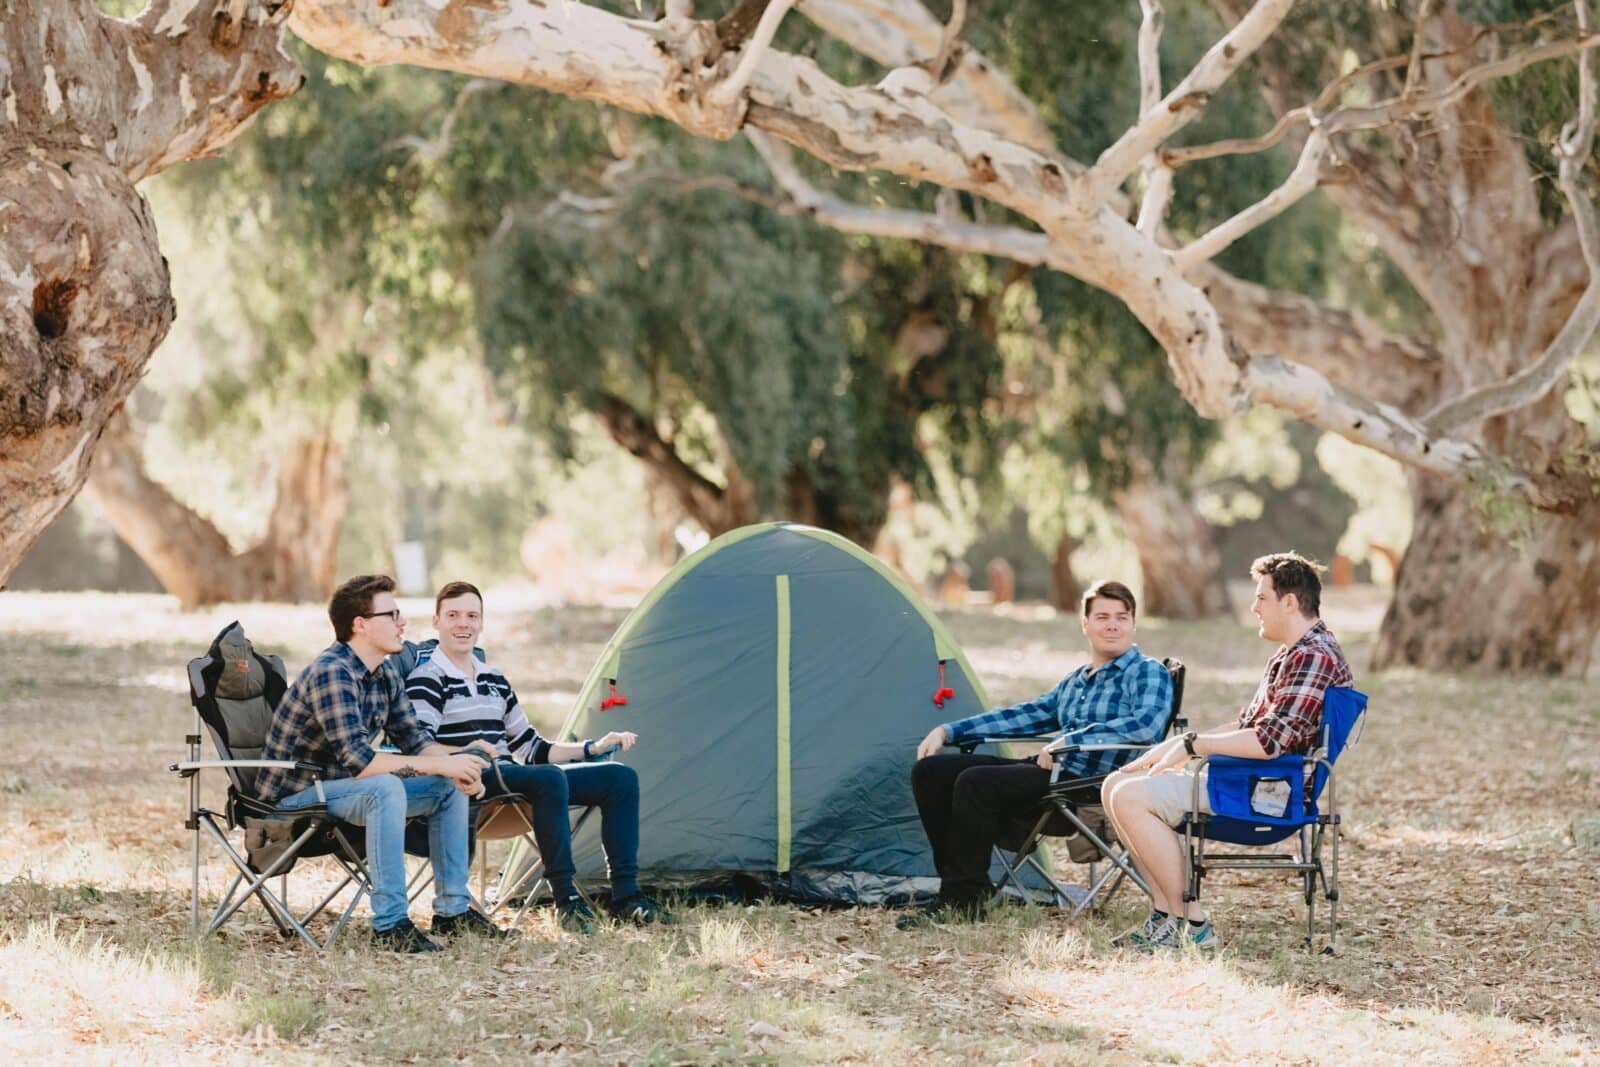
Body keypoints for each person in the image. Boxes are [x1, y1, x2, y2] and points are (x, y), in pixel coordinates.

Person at [1102, 551, 1353, 953]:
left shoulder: (1313, 655)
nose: (1253, 607)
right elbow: (1248, 726)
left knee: (1129, 796)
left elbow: (1268, 743)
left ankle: (1193, 924)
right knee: (1118, 782)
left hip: (1270, 792)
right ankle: (1166, 916)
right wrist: (1176, 746)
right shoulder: (1293, 653)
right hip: (1249, 779)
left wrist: (1195, 744)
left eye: (1262, 598)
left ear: (1290, 602)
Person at [900, 580, 1175, 928]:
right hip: (1054, 773)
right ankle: (962, 888)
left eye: (1122, 617)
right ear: (1085, 624)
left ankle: (964, 899)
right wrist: (950, 730)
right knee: (932, 773)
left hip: (1094, 784)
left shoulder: (1148, 671)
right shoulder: (1077, 680)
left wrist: (1072, 741)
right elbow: (1024, 715)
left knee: (975, 783)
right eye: (1103, 616)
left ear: (1134, 624)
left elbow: (1145, 727)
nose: (1113, 625)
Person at [255, 574, 508, 953]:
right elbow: (361, 762)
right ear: (361, 625)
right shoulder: (332, 673)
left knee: (445, 785)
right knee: (386, 787)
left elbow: (417, 742)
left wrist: (462, 763)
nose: (402, 623)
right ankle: (390, 925)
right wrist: (442, 765)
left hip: (344, 789)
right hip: (295, 799)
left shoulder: (384, 673)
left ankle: (453, 911)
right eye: (392, 615)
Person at [405, 581, 672, 933]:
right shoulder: (427, 678)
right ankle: (566, 899)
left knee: (619, 777)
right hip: (468, 782)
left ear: (482, 623)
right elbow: (420, 747)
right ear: (436, 622)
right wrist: (468, 753)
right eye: (452, 615)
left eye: (472, 615)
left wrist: (591, 748)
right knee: (547, 778)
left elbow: (532, 748)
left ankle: (626, 897)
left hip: (514, 781)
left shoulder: (494, 680)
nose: (463, 624)